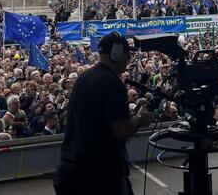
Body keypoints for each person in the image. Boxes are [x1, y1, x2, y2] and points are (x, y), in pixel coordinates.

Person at [53, 32, 154, 195]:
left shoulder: (84, 77)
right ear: (116, 54)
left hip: (73, 172)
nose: (128, 59)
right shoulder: (112, 83)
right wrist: (141, 120)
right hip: (99, 177)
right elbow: (121, 130)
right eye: (127, 54)